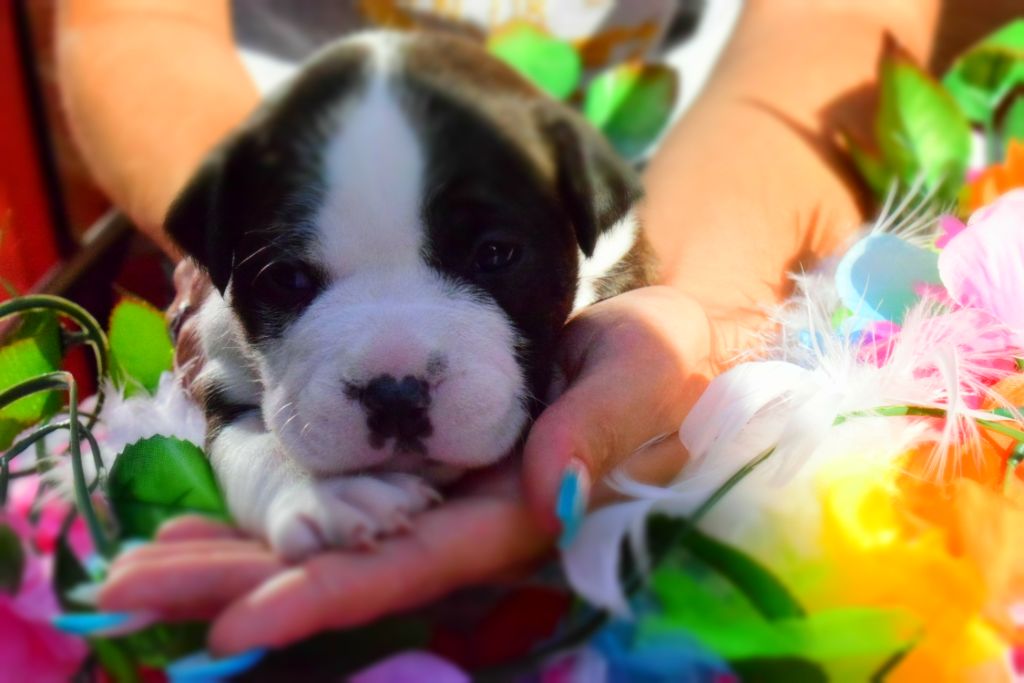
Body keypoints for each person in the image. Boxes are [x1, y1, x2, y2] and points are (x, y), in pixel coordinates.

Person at [56, 0, 1018, 659]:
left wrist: (697, 308)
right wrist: (270, 466)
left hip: (714, 200)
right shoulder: (234, 237)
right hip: (220, 147)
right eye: (298, 279)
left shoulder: (594, 212)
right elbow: (134, 28)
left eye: (487, 258)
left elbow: (827, 28)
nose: (397, 375)